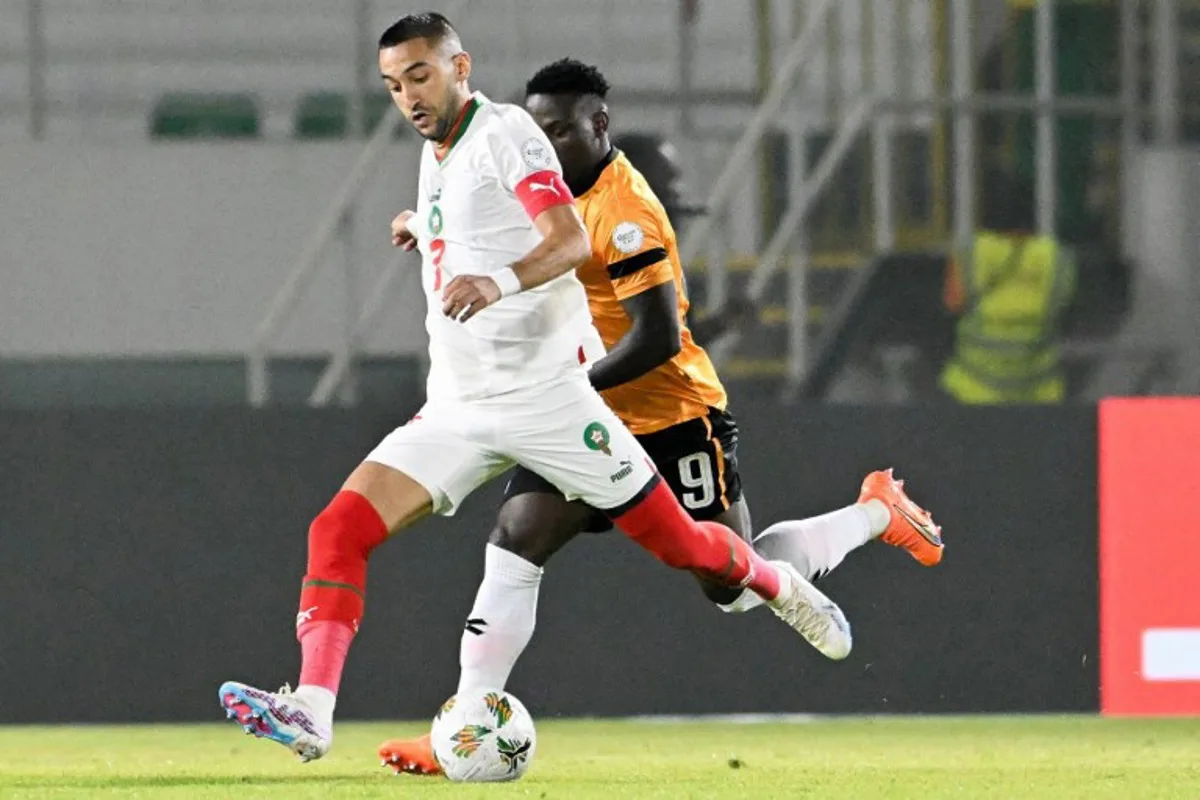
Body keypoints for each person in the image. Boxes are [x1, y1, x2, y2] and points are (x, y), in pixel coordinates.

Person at [216, 14, 855, 763]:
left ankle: (778, 584)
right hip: (458, 408)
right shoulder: (438, 152)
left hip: (550, 404)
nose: (409, 97)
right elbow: (483, 227)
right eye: (394, 86)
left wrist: (498, 281)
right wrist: (424, 231)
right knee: (337, 530)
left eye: (421, 76)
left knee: (686, 548)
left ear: (461, 66)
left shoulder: (507, 132)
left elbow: (568, 240)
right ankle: (313, 713)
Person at [377, 58, 944, 776]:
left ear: (599, 126)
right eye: (534, 130)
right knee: (516, 540)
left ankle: (874, 513)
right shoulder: (528, 193)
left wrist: (571, 386)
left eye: (560, 131)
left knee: (733, 589)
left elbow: (657, 338)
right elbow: (467, 229)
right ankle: (462, 728)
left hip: (669, 413)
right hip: (576, 416)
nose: (543, 146)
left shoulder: (626, 211)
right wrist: (419, 228)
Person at [940, 172, 1076, 403]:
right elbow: (1063, 306)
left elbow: (953, 302)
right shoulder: (1055, 256)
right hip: (1038, 390)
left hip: (974, 389)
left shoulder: (972, 251)